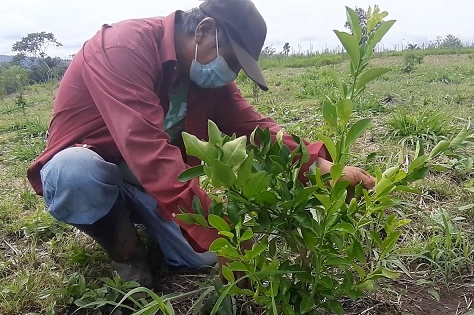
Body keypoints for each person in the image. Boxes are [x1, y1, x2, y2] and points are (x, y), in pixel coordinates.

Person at [27, 0, 376, 288]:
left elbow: (253, 128)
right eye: (233, 60)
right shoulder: (123, 47)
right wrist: (222, 235)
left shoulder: (203, 77)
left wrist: (318, 166)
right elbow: (147, 148)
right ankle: (126, 253)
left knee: (198, 256)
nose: (232, 74)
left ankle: (138, 217)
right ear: (204, 30)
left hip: (142, 182)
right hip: (94, 167)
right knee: (76, 172)